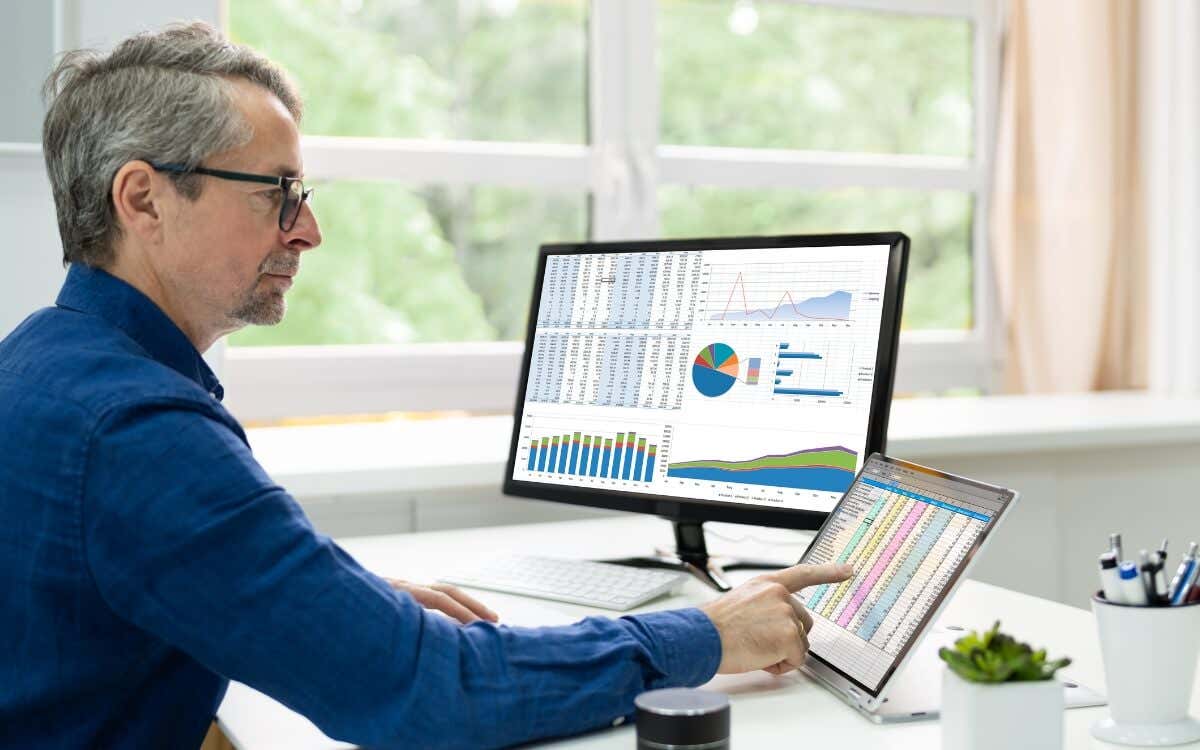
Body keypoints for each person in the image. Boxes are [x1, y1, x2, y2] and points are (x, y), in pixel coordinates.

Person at [0, 22, 852, 749]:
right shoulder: (137, 431)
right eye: (278, 194)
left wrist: (330, 608)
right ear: (143, 200)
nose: (310, 230)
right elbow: (429, 693)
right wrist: (703, 635)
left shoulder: (43, 362)